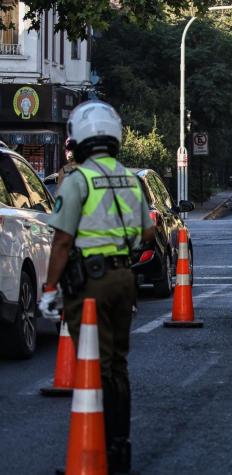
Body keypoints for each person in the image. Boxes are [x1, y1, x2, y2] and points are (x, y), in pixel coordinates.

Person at [38, 100, 155, 474]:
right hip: (124, 278)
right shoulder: (130, 179)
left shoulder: (78, 180)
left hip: (91, 283)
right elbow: (149, 231)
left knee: (95, 367)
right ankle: (120, 448)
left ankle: (95, 452)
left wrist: (50, 288)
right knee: (117, 365)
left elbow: (61, 240)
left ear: (80, 139)